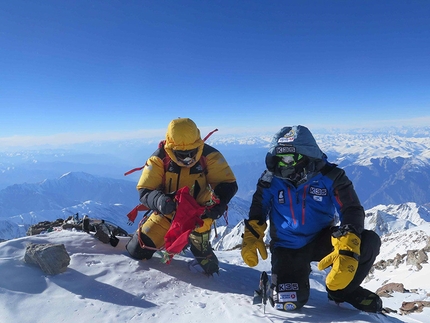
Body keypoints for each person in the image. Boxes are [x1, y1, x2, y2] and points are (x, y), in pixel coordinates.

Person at [241, 125, 382, 313]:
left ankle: (342, 292)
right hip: (287, 245)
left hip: (322, 238)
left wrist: (349, 240)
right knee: (288, 303)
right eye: (280, 160)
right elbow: (259, 206)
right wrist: (252, 234)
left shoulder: (331, 176)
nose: (286, 164)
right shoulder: (270, 179)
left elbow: (350, 208)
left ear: (307, 156)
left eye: (291, 158)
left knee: (367, 242)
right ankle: (295, 275)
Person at [126, 117, 238, 275]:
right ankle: (177, 241)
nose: (187, 159)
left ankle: (198, 244)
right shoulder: (159, 158)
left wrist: (218, 205)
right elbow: (145, 190)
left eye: (191, 153)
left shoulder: (210, 156)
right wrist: (160, 201)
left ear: (198, 145)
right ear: (171, 148)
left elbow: (227, 183)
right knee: (136, 250)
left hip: (200, 215)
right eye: (181, 154)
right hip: (168, 212)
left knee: (209, 269)